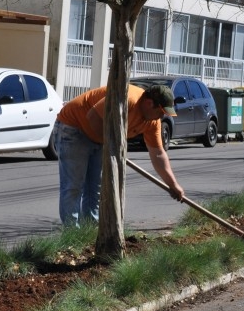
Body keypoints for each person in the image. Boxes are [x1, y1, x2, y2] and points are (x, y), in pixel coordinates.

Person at [54, 83, 185, 226]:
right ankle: (72, 233)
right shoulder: (127, 99)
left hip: (99, 137)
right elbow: (93, 117)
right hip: (74, 127)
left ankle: (91, 232)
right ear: (149, 103)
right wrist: (111, 145)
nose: (161, 117)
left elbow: (158, 154)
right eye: (161, 112)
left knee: (96, 188)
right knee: (73, 186)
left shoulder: (153, 122)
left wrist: (173, 185)